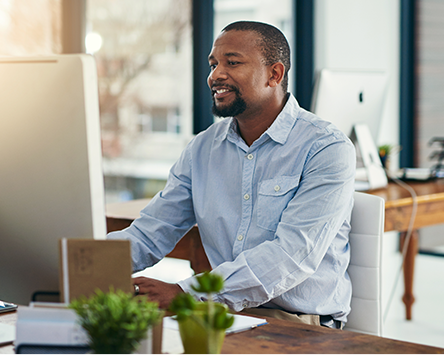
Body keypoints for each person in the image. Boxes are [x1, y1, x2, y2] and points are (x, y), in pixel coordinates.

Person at [107, 21, 356, 329]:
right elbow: (152, 230)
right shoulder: (202, 148)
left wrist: (186, 292)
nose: (215, 75)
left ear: (274, 74)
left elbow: (292, 255)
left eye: (232, 62)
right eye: (213, 64)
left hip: (298, 324)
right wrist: (89, 265)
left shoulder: (325, 147)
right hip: (223, 315)